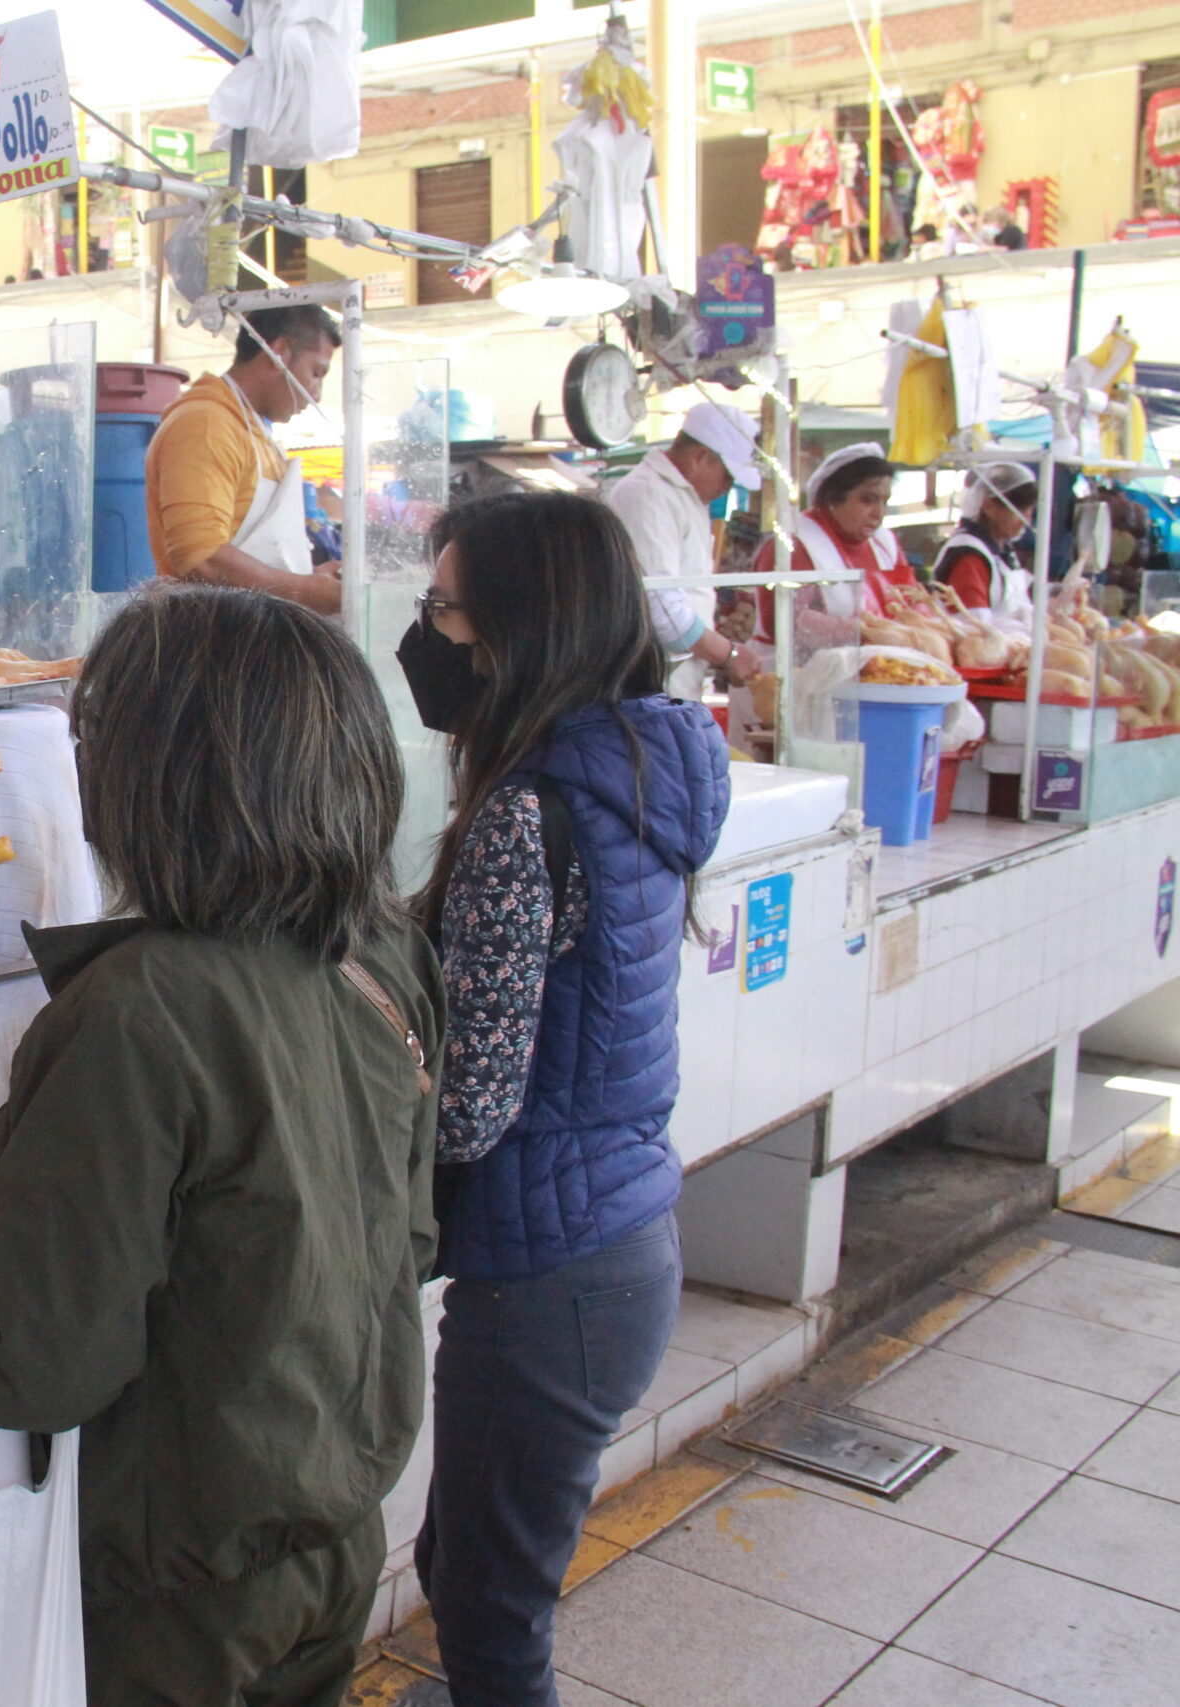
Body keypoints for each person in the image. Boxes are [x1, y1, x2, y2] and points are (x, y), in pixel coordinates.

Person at [0, 583, 443, 1706]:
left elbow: (37, 1369)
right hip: (339, 1530)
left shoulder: (135, 1008)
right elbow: (409, 1234)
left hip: (169, 1591)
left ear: (146, 785)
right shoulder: (383, 953)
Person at [397, 491, 729, 1707]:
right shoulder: (638, 770)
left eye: (442, 610)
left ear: (512, 631)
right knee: (473, 1566)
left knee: (491, 1620)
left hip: (548, 1277)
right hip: (620, 1234)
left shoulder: (524, 818)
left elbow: (473, 1108)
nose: (426, 638)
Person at [144, 303, 345, 614]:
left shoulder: (256, 433)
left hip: (251, 633)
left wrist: (309, 577)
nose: (315, 393)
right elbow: (201, 558)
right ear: (279, 353)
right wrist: (303, 590)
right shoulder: (206, 423)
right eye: (315, 372)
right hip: (209, 638)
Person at [603, 401, 765, 698]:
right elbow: (659, 605)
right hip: (650, 684)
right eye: (727, 476)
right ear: (701, 457)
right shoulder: (646, 495)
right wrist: (727, 654)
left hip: (676, 681)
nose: (727, 487)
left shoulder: (685, 498)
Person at [751, 443, 913, 647]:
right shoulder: (793, 544)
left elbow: (912, 600)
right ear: (833, 498)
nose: (878, 514)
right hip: (799, 674)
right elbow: (784, 622)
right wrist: (862, 631)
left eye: (885, 501)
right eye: (867, 500)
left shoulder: (885, 543)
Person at [933, 462, 1039, 616]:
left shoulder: (1002, 549)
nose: (1027, 519)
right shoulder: (969, 556)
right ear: (989, 506)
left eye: (1030, 510)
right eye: (1020, 510)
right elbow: (973, 625)